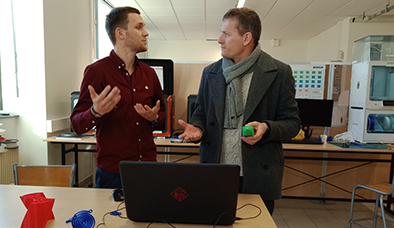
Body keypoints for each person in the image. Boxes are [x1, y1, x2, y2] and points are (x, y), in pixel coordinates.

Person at [178, 7, 300, 215]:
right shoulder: (211, 73)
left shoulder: (279, 72)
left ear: (246, 38)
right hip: (215, 173)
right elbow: (201, 113)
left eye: (226, 34)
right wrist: (198, 128)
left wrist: (266, 128)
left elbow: (292, 124)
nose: (219, 40)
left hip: (258, 175)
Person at [71, 6, 165, 188]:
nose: (145, 33)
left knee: (148, 217)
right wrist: (95, 112)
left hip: (147, 167)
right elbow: (76, 125)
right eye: (139, 27)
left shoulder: (150, 74)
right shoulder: (97, 72)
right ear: (120, 33)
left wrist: (154, 118)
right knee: (108, 217)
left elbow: (163, 116)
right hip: (113, 173)